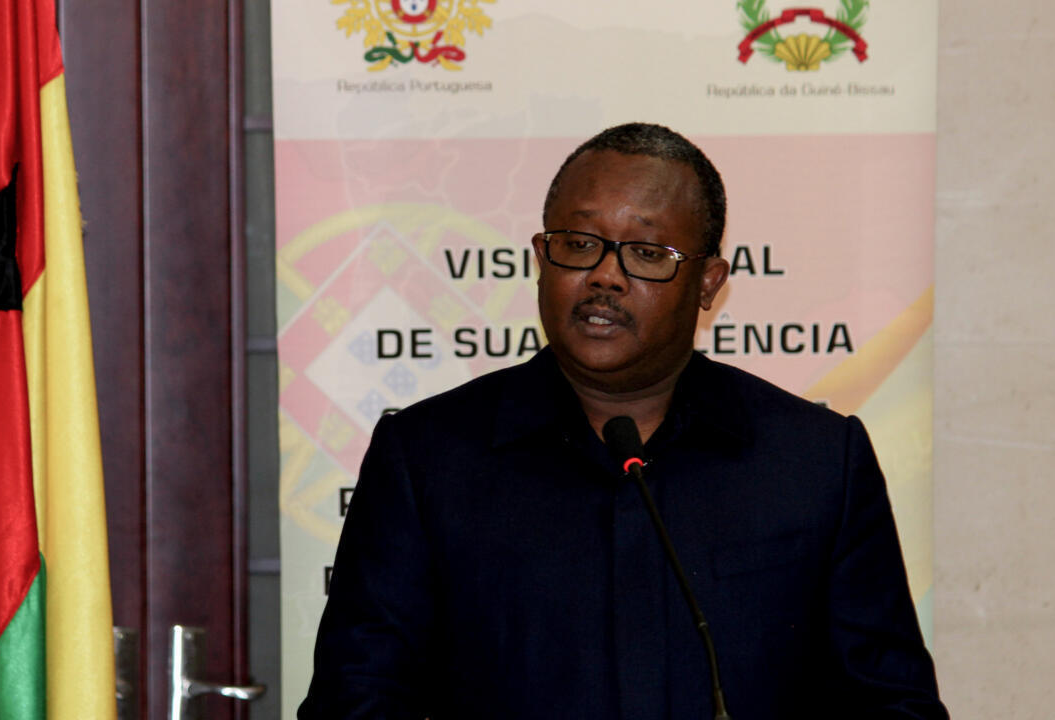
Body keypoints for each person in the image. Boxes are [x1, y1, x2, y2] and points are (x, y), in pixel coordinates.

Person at [298, 123, 947, 719]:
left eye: (647, 253)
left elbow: (893, 705)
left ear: (708, 282)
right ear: (542, 259)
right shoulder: (428, 459)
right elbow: (356, 701)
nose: (605, 276)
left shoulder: (815, 462)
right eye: (579, 245)